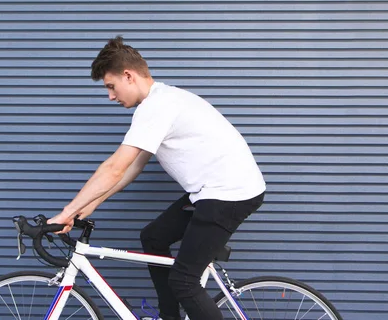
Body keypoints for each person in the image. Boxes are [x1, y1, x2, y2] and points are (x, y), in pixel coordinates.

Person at [48, 36, 266, 320]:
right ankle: (169, 316)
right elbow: (132, 168)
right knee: (153, 237)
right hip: (211, 191)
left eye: (111, 87)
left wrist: (65, 213)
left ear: (129, 75)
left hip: (229, 194)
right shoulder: (158, 102)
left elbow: (114, 167)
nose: (111, 96)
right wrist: (88, 206)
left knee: (184, 281)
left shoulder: (157, 106)